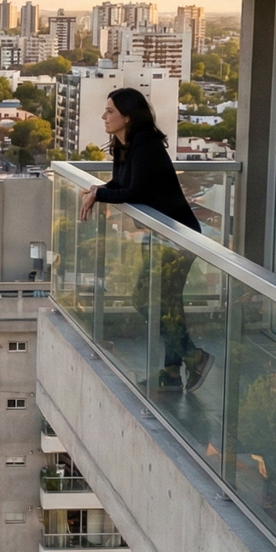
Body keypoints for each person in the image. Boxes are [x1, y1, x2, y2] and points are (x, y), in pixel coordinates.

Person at [77, 88, 212, 392]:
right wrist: (98, 190)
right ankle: (172, 373)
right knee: (168, 305)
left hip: (178, 238)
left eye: (110, 111)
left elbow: (135, 192)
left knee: (146, 300)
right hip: (161, 236)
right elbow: (120, 183)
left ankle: (194, 357)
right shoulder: (124, 146)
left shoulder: (145, 144)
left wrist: (100, 195)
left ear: (127, 116)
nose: (104, 116)